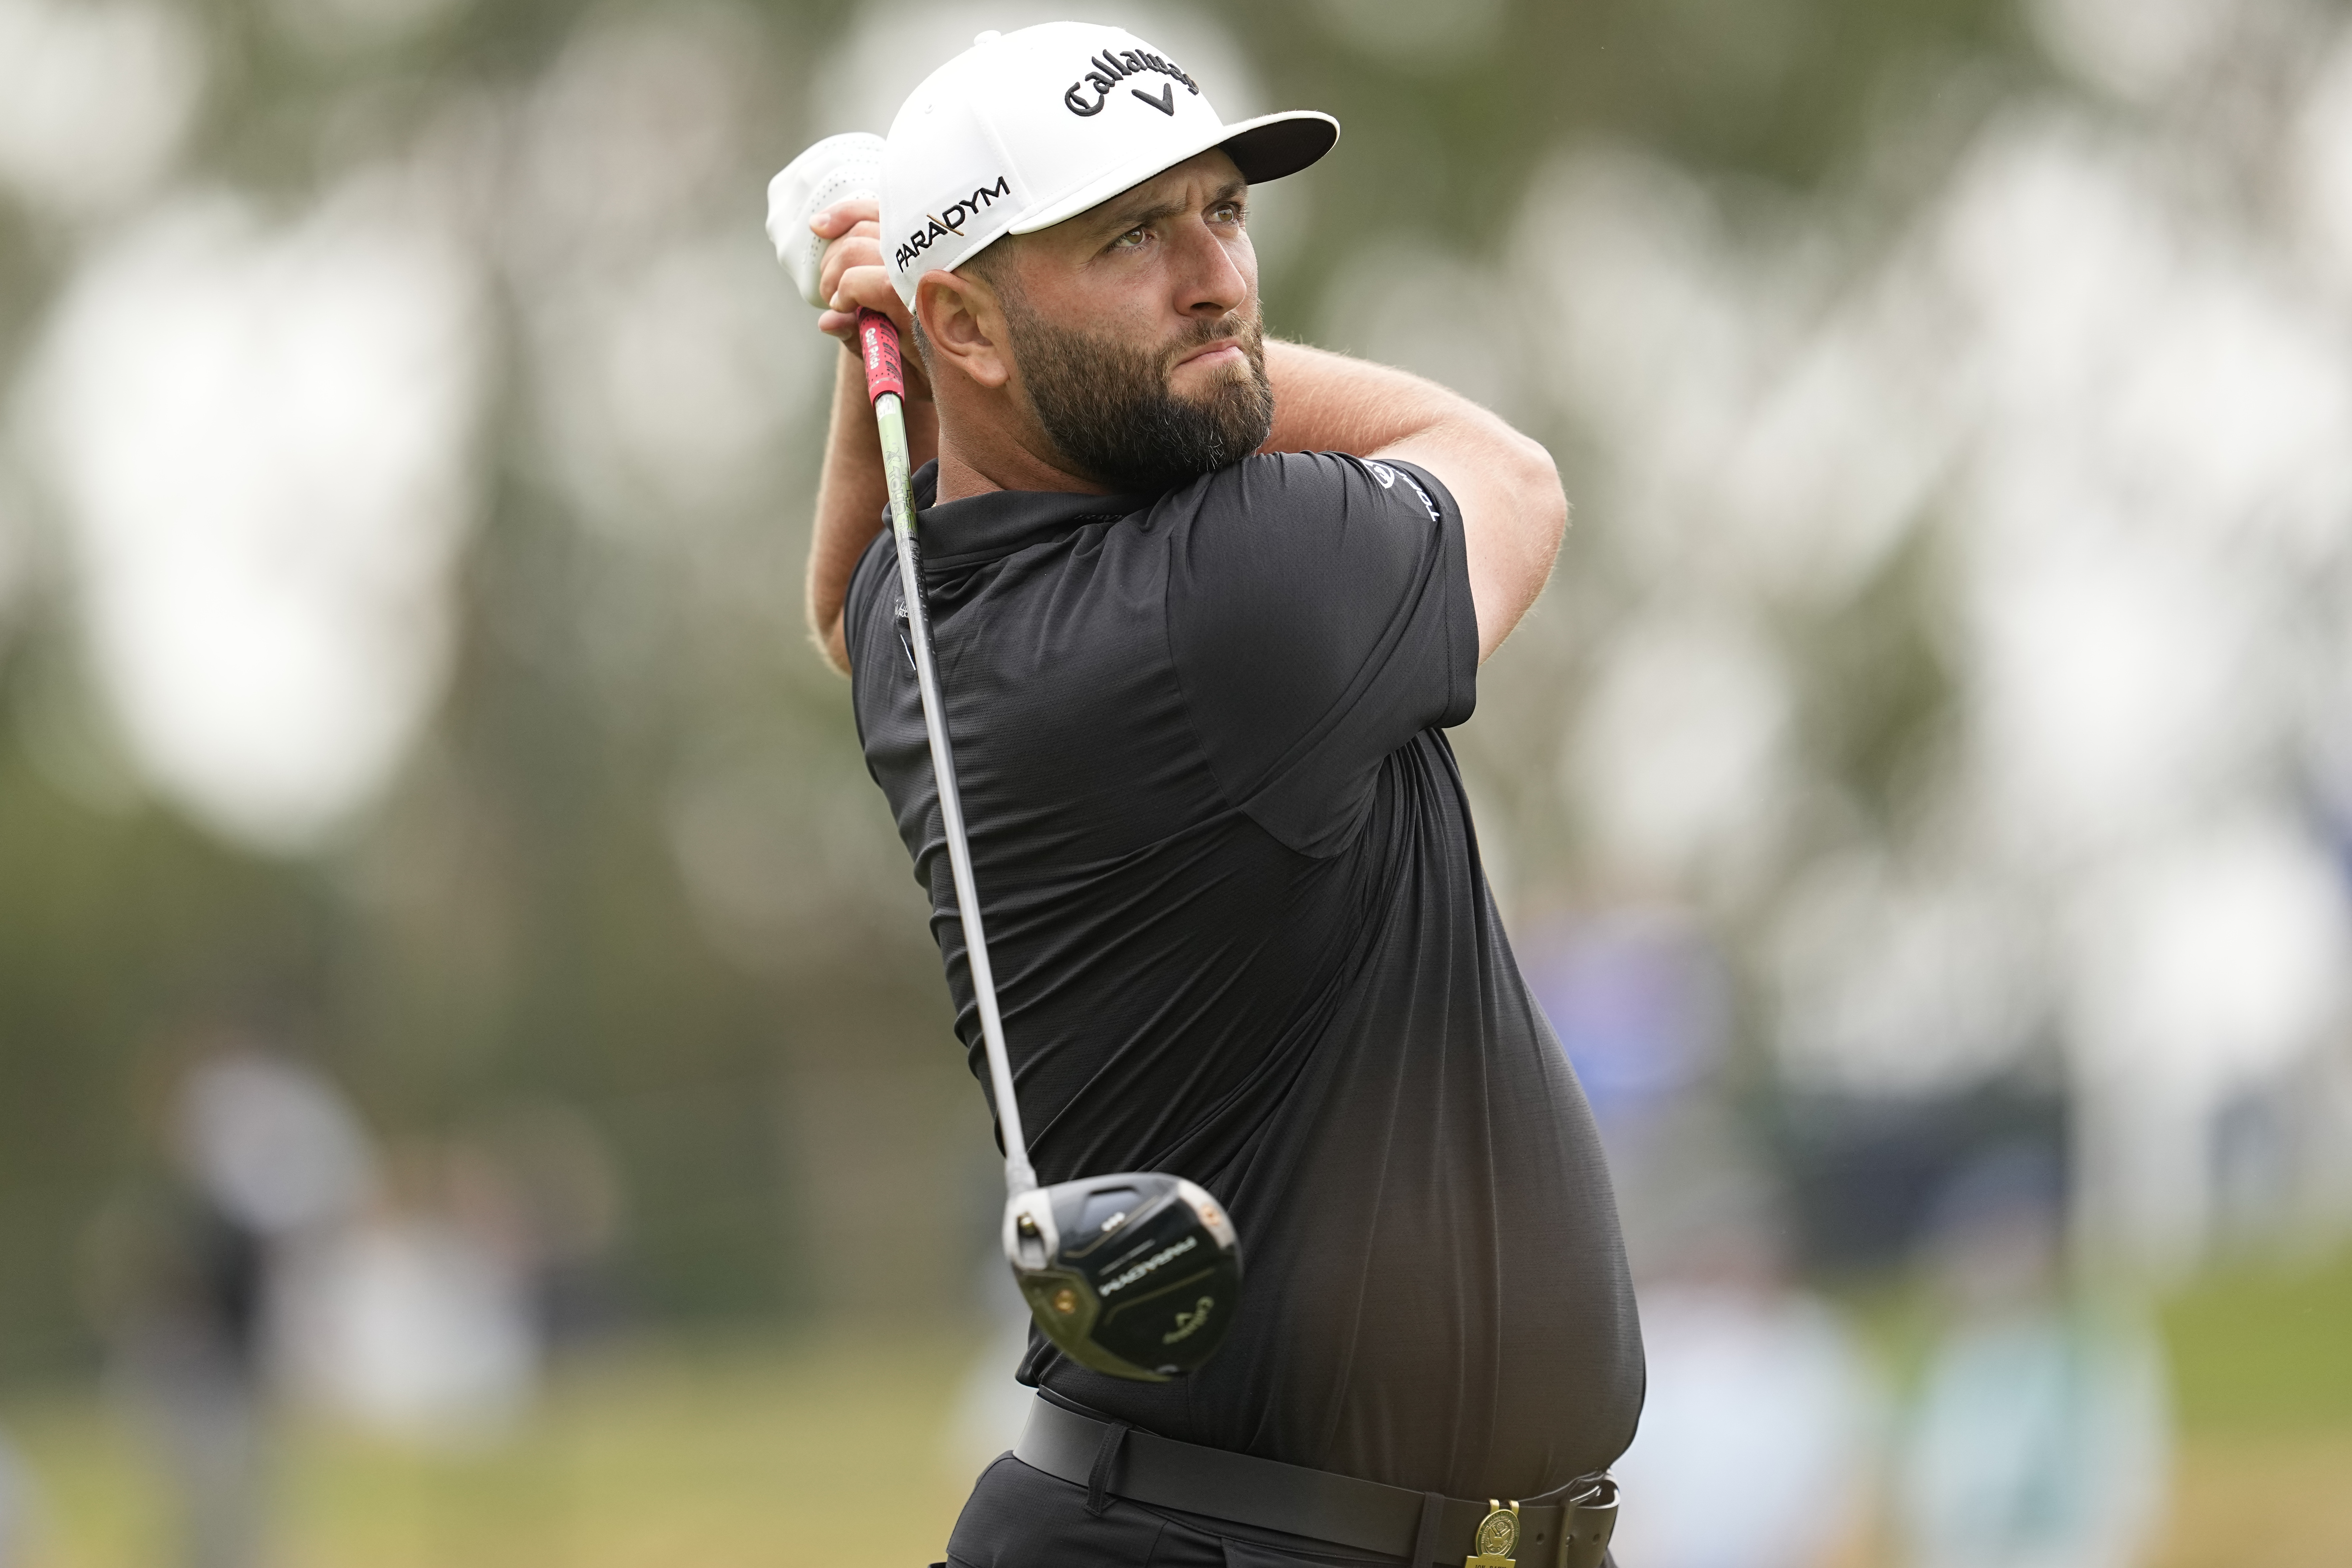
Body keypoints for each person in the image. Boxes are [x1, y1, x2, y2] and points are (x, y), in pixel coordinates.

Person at [799, 22, 1640, 1566]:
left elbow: (846, 595)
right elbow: (1511, 476)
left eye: (1223, 214)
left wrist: (895, 370)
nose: (1218, 282)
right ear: (969, 332)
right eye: (1130, 235)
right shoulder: (1236, 592)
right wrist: (917, 350)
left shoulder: (924, 628)